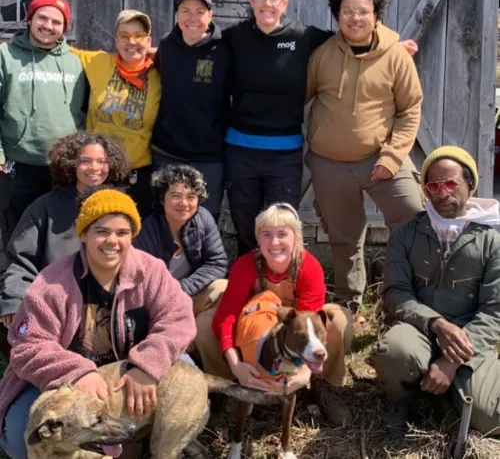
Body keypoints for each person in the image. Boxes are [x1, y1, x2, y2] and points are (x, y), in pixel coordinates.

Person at [222, 0, 418, 257]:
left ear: (285, 3)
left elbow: (355, 42)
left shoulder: (302, 37)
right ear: (251, 0)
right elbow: (202, 52)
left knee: (282, 227)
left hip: (284, 152)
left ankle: (282, 288)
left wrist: (391, 48)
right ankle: (248, 286)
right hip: (241, 147)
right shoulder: (232, 37)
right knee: (245, 226)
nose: (268, 3)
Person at [0, 187, 196, 459]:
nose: (112, 241)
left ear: (133, 236)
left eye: (122, 233)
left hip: (126, 372)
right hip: (63, 383)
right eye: (101, 231)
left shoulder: (151, 271)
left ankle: (148, 436)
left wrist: (147, 366)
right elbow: (27, 347)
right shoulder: (51, 283)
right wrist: (77, 372)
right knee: (20, 442)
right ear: (84, 234)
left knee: (186, 369)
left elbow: (179, 319)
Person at [305, 0, 424, 319]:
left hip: (382, 158)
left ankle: (405, 301)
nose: (355, 18)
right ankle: (349, 306)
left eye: (362, 11)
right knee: (343, 239)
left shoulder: (395, 55)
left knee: (414, 222)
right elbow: (297, 95)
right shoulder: (323, 55)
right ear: (337, 15)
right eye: (347, 12)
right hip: (329, 163)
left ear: (376, 14)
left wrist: (392, 156)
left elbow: (410, 108)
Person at [370, 146, 500, 434]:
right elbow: (396, 292)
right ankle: (403, 399)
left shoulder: (492, 240)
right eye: (433, 185)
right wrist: (436, 323)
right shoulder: (405, 234)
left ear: (470, 184)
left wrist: (452, 361)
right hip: (419, 329)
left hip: (468, 337)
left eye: (451, 183)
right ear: (426, 190)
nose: (442, 193)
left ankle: (442, 395)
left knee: (491, 418)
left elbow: (495, 310)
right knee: (393, 353)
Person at [195, 202, 353, 424]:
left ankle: (320, 385)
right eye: (266, 234)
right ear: (257, 239)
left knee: (337, 320)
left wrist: (303, 375)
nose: (274, 242)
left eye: (282, 234)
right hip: (252, 336)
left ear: (296, 238)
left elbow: (309, 325)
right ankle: (231, 387)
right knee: (204, 325)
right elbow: (227, 317)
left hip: (294, 337)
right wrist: (235, 364)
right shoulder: (246, 265)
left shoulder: (309, 267)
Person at [0, 132, 130, 359]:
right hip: (54, 303)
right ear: (71, 164)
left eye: (102, 161)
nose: (94, 168)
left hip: (106, 306)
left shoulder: (120, 206)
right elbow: (20, 261)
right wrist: (13, 300)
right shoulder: (44, 206)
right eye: (85, 161)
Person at [0, 0, 87, 244]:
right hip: (18, 165)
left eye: (56, 22)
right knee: (18, 233)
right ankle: (16, 281)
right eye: (42, 18)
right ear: (30, 19)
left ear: (64, 28)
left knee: (59, 235)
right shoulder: (6, 56)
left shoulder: (75, 63)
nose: (48, 26)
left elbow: (82, 112)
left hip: (63, 166)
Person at [152, 0, 232, 222]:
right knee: (164, 218)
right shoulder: (167, 46)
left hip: (209, 154)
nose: (192, 18)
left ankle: (202, 261)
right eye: (185, 10)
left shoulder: (224, 51)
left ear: (211, 15)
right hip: (166, 150)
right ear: (176, 15)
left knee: (206, 219)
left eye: (200, 11)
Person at [70, 10, 161, 218]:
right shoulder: (98, 63)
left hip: (137, 174)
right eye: (124, 35)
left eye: (138, 35)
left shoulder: (160, 71)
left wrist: (157, 52)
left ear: (148, 40)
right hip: (98, 171)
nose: (131, 41)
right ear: (116, 40)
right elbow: (55, 49)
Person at [134, 164, 228, 316]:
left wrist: (182, 288)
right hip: (156, 302)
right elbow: (139, 278)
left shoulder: (203, 218)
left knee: (222, 287)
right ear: (162, 199)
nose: (184, 203)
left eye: (191, 197)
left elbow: (217, 262)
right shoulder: (148, 230)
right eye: (175, 196)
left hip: (188, 293)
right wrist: (169, 295)